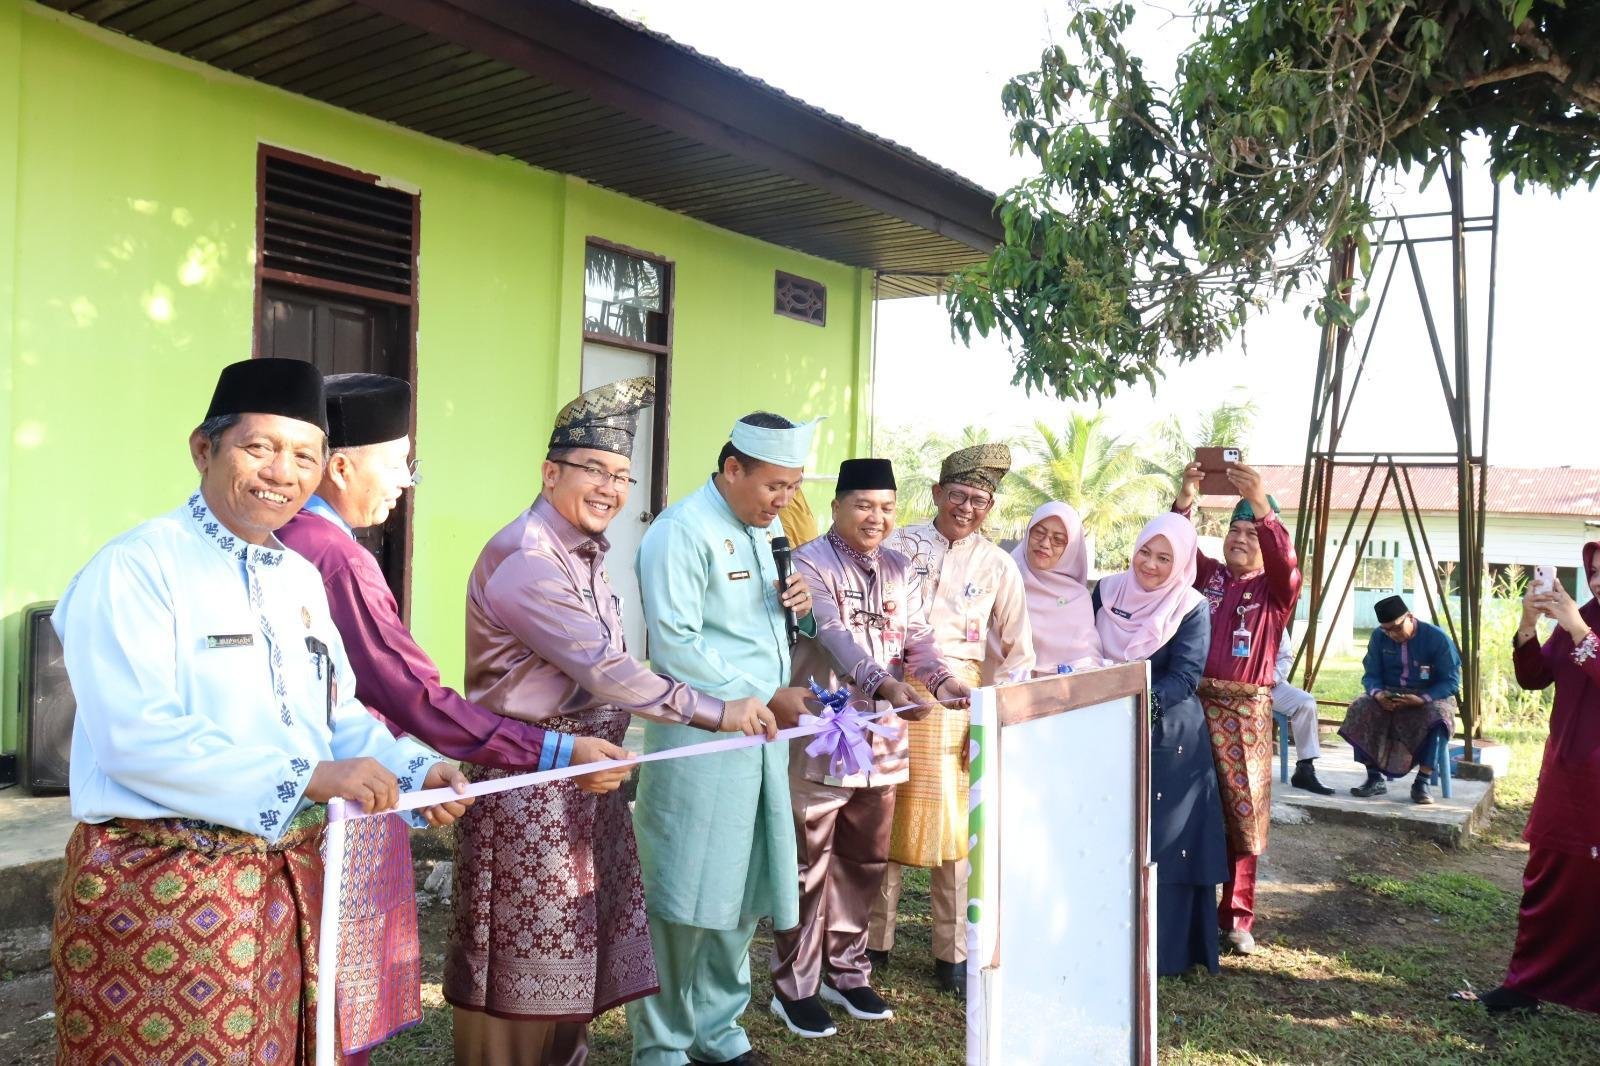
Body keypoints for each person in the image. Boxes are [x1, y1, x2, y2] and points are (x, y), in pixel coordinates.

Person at [50, 358, 469, 1065]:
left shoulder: (299, 577)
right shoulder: (137, 567)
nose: (283, 472)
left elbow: (339, 713)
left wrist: (418, 768)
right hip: (162, 894)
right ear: (203, 449)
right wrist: (310, 777)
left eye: (305, 455)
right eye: (260, 447)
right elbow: (135, 738)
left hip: (286, 888)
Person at [444, 379, 779, 1065]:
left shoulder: (586, 556)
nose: (611, 488)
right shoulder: (528, 559)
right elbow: (605, 668)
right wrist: (718, 712)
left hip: (584, 783)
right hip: (525, 792)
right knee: (520, 966)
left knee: (575, 953)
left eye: (623, 475)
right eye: (595, 469)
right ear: (550, 472)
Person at [626, 411, 820, 1066]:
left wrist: (803, 610)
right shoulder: (682, 532)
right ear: (732, 468)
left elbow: (767, 632)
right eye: (774, 486)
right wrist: (764, 694)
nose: (784, 501)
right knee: (684, 893)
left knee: (741, 889)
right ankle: (662, 1042)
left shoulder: (766, 536)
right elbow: (675, 646)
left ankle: (718, 1030)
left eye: (793, 487)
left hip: (761, 743)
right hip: (699, 744)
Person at [768, 458, 963, 1038]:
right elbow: (832, 634)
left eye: (885, 508)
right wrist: (883, 683)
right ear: (837, 507)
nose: (875, 518)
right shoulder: (809, 563)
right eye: (863, 505)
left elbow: (920, 640)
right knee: (807, 865)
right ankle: (794, 985)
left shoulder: (902, 568)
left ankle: (847, 972)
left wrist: (945, 681)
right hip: (821, 736)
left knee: (864, 860)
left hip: (884, 738)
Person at [867, 444, 1034, 995]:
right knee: (881, 818)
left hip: (959, 705)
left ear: (991, 507)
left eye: (979, 500)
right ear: (936, 493)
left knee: (958, 835)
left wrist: (993, 720)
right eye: (957, 495)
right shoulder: (896, 543)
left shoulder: (999, 565)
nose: (966, 507)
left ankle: (953, 955)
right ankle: (872, 946)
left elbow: (1019, 654)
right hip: (888, 692)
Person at [1173, 461, 1301, 955]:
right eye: (1235, 530)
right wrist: (1187, 497)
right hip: (1194, 704)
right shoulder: (1208, 577)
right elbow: (1178, 548)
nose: (1241, 539)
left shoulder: (1275, 588)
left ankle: (1238, 917)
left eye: (1253, 532)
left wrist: (1264, 507)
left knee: (1243, 814)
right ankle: (1193, 907)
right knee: (1188, 807)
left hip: (1245, 714)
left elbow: (1285, 562)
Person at [1093, 513, 1225, 975]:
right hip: (1103, 729)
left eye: (1164, 557)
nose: (1150, 564)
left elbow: (1185, 676)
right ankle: (1106, 940)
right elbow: (1083, 649)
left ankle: (1161, 953)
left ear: (1182, 561)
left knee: (1161, 843)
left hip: (1167, 737)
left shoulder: (1190, 606)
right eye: (1145, 551)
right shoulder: (1107, 591)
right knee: (1107, 834)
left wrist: (1131, 705)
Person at [1481, 545, 1600, 1016]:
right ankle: (1524, 985)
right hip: (1565, 777)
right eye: (1593, 571)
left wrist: (1578, 628)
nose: (1597, 581)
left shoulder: (1582, 621)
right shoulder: (1586, 614)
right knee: (1547, 879)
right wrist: (1530, 625)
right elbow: (1535, 678)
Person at [1339, 595, 1460, 805]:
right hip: (1389, 693)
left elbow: (1450, 681)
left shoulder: (1437, 639)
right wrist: (1378, 694)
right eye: (1386, 630)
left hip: (1428, 695)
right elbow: (1371, 674)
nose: (1391, 634)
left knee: (1441, 717)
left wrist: (1422, 699)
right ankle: (1374, 777)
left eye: (1395, 628)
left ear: (1409, 617)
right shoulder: (1379, 637)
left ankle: (1422, 782)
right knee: (1360, 708)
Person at [1012, 501, 1103, 673]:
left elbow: (1087, 659)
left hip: (1056, 694)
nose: (1045, 544)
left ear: (1071, 549)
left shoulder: (1077, 598)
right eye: (1039, 533)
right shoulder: (1003, 578)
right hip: (995, 688)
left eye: (1058, 540)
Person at [1271, 627, 1334, 794]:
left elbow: (1285, 658)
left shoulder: (1274, 616)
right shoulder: (1227, 608)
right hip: (1229, 685)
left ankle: (1305, 769)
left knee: (1306, 703)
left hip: (1267, 685)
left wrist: (1268, 680)